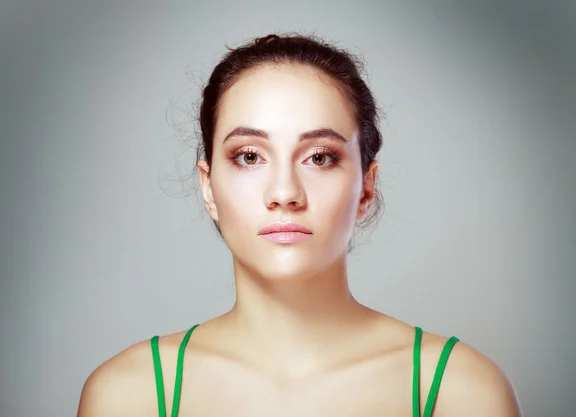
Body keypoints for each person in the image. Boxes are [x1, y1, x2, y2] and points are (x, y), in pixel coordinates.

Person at [77, 33, 522, 417]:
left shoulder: (459, 391)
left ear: (366, 187)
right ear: (208, 185)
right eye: (249, 157)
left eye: (320, 157)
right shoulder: (127, 395)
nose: (285, 192)